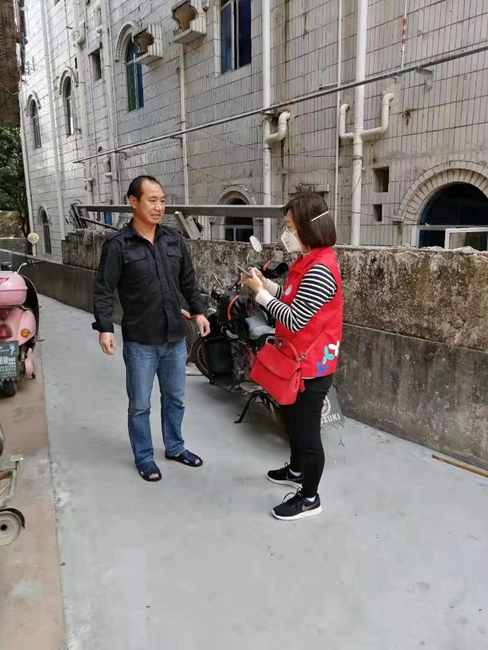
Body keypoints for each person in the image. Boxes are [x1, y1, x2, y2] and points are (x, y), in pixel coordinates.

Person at [93, 175, 210, 482]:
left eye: (162, 201)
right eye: (152, 200)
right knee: (139, 405)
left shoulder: (173, 240)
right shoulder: (118, 245)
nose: (159, 207)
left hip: (175, 338)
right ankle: (144, 456)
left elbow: (188, 279)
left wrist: (198, 311)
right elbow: (104, 288)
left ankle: (175, 446)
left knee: (175, 398)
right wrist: (105, 328)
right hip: (140, 342)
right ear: (134, 202)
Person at [242, 192, 343, 521]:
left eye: (289, 226)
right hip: (296, 358)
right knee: (289, 416)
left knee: (306, 432)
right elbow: (290, 297)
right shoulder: (307, 260)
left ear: (308, 227)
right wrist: (266, 286)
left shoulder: (320, 269)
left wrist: (260, 296)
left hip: (312, 366)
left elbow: (296, 318)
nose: (286, 233)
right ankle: (297, 470)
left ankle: (310, 497)